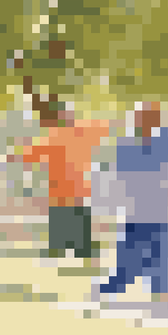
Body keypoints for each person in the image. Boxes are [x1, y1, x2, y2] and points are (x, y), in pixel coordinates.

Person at [91, 102, 168, 304]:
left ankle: (156, 288)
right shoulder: (129, 146)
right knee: (130, 258)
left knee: (155, 257)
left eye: (153, 119)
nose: (151, 123)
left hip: (154, 212)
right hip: (136, 212)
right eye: (146, 118)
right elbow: (142, 176)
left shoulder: (158, 143)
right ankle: (122, 285)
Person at [22, 111, 113, 260]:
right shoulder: (77, 134)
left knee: (64, 215)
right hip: (73, 188)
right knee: (72, 215)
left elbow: (32, 154)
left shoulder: (56, 137)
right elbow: (102, 128)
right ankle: (78, 248)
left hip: (64, 189)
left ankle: (66, 247)